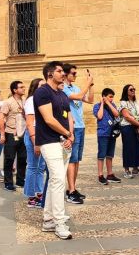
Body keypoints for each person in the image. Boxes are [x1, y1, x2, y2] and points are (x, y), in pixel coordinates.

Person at [34, 61, 73, 240]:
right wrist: (66, 133)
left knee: (55, 181)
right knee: (58, 180)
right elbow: (48, 119)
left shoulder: (62, 93)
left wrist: (70, 135)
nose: (63, 74)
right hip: (49, 141)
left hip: (64, 141)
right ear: (50, 74)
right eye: (59, 71)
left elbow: (68, 115)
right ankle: (59, 222)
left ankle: (48, 219)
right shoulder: (42, 92)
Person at [63, 64, 94, 204]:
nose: (75, 75)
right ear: (66, 74)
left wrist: (91, 85)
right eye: (73, 73)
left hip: (81, 126)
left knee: (77, 160)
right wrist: (87, 83)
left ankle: (72, 189)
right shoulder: (63, 88)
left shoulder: (75, 88)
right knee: (72, 159)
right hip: (72, 127)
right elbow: (79, 96)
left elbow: (90, 99)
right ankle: (70, 190)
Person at [0, 81, 27, 192]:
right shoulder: (8, 102)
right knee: (9, 159)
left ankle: (20, 180)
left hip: (23, 133)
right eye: (21, 87)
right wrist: (2, 134)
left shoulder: (25, 101)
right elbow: (1, 118)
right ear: (15, 90)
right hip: (11, 133)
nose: (24, 88)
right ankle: (8, 182)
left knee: (23, 158)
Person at [23, 78, 47, 207]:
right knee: (32, 166)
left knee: (40, 167)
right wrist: (35, 141)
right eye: (41, 85)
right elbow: (29, 123)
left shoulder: (43, 100)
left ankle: (39, 192)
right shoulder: (31, 101)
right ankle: (31, 195)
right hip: (34, 135)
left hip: (43, 135)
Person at [93, 88, 122, 186]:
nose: (112, 99)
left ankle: (110, 174)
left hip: (112, 133)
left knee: (110, 155)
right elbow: (99, 116)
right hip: (102, 133)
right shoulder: (96, 106)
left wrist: (109, 103)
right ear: (104, 96)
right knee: (101, 155)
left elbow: (117, 114)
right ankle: (100, 175)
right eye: (110, 97)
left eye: (112, 97)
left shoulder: (112, 105)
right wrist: (102, 103)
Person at [118, 84, 139, 178]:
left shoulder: (136, 101)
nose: (133, 91)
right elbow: (126, 116)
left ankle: (136, 168)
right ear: (126, 91)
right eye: (131, 89)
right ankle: (126, 170)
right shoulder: (123, 103)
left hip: (137, 126)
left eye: (134, 89)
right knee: (129, 147)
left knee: (138, 146)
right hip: (127, 127)